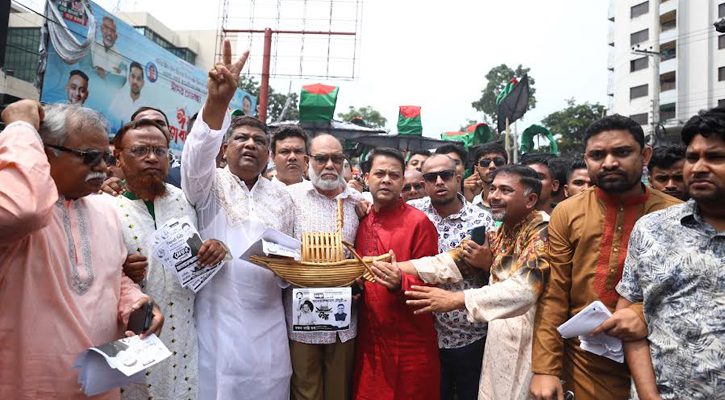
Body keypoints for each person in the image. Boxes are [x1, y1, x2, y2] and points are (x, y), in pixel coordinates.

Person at [0, 100, 163, 400]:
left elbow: (113, 277)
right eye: (89, 156)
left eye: (104, 156)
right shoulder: (21, 210)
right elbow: (23, 210)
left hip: (99, 387)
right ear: (44, 152)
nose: (102, 167)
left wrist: (136, 303)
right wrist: (21, 129)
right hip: (29, 387)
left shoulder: (106, 210)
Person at [530, 114, 682, 400]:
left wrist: (639, 313)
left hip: (659, 355)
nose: (609, 162)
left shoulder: (675, 214)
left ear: (645, 155)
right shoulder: (567, 212)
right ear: (586, 160)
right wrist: (545, 368)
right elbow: (554, 294)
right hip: (585, 360)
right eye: (598, 155)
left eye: (622, 152)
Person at [181, 39, 294, 400]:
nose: (250, 145)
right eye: (241, 138)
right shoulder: (207, 183)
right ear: (224, 147)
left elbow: (292, 263)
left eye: (259, 141)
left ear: (268, 155)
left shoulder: (282, 197)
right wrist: (217, 103)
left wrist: (287, 269)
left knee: (271, 388)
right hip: (216, 322)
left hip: (269, 323)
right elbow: (196, 155)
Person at [101, 119, 228, 400]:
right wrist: (118, 271)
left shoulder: (183, 201)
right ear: (118, 156)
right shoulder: (105, 207)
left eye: (160, 151)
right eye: (140, 150)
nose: (152, 158)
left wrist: (216, 248)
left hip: (182, 335)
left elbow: (205, 247)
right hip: (129, 337)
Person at [399, 165, 550, 400]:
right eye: (493, 189)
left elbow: (524, 290)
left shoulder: (542, 232)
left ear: (530, 199)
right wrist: (395, 267)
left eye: (505, 190)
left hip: (533, 343)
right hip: (500, 338)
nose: (494, 196)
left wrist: (456, 299)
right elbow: (451, 261)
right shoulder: (500, 232)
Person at [616, 107, 725, 400]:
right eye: (693, 157)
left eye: (715, 158)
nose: (699, 168)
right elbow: (631, 321)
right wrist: (649, 396)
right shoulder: (653, 229)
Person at [352, 147, 441, 400]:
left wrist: (400, 281)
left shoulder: (419, 222)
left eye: (394, 175)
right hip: (370, 341)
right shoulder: (360, 218)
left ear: (403, 181)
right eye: (379, 173)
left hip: (410, 342)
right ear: (366, 177)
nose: (386, 180)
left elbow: (433, 283)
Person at [408, 153, 496, 400]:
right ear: (424, 182)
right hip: (425, 335)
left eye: (445, 175)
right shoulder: (412, 213)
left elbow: (503, 280)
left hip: (470, 333)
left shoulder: (483, 219)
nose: (438, 181)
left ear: (458, 178)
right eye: (430, 177)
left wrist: (487, 264)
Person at [284, 134, 365, 400]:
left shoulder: (360, 202)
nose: (330, 165)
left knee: (339, 391)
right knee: (306, 390)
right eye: (321, 159)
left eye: (336, 158)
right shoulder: (289, 198)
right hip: (302, 319)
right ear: (308, 161)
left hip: (344, 318)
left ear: (344, 162)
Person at [472, 142, 508, 211]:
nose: (492, 166)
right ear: (476, 169)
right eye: (485, 162)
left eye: (498, 162)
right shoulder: (471, 205)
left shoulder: (516, 203)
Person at [110, 62, 146, 127]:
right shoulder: (118, 99)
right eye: (133, 76)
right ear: (129, 78)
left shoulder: (145, 108)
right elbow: (110, 121)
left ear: (143, 83)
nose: (135, 81)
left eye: (138, 78)